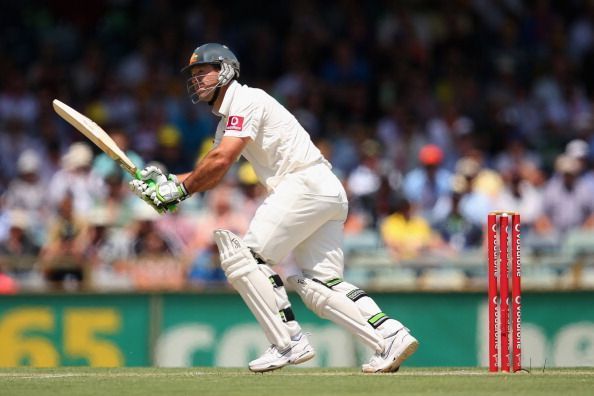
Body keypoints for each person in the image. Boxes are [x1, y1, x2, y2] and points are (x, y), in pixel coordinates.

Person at [130, 43, 418, 373]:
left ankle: (288, 342)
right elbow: (210, 170)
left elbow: (220, 161)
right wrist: (164, 182)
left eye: (202, 72)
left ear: (225, 70)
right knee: (320, 285)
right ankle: (389, 336)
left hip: (302, 185)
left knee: (245, 257)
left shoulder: (246, 99)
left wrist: (178, 191)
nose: (196, 80)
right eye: (192, 75)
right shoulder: (229, 120)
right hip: (322, 188)